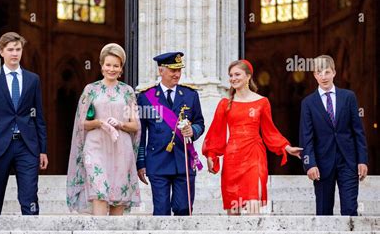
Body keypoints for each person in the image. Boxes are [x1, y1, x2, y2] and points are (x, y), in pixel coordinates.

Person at [202, 59, 302, 215]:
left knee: (253, 201)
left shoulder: (262, 102)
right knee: (233, 210)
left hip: (254, 155)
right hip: (232, 157)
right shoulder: (224, 103)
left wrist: (286, 147)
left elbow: (270, 131)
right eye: (231, 75)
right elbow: (216, 131)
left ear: (248, 77)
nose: (233, 78)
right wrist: (211, 154)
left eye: (237, 74)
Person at [0, 32, 48, 215]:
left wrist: (43, 149)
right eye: (10, 49)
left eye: (18, 49)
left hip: (27, 146)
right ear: (1, 52)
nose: (15, 53)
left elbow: (39, 117)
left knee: (30, 198)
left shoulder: (33, 79)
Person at [67, 43, 141, 215]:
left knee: (118, 196)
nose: (111, 69)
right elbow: (82, 123)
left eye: (116, 65)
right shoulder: (91, 90)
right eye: (108, 65)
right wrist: (100, 122)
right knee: (99, 190)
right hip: (95, 146)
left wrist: (120, 124)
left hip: (121, 147)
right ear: (101, 66)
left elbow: (135, 125)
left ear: (121, 68)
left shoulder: (127, 91)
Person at [137, 52, 205, 216]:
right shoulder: (146, 97)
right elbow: (140, 133)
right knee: (161, 212)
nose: (177, 74)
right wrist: (140, 162)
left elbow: (200, 123)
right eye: (172, 70)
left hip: (184, 160)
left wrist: (192, 131)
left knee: (184, 209)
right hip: (158, 161)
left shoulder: (190, 95)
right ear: (161, 71)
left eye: (179, 70)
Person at [299, 55, 368, 216]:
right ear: (314, 75)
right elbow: (306, 137)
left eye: (327, 72)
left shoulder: (348, 97)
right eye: (319, 72)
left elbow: (358, 131)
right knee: (323, 212)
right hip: (321, 164)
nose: (323, 76)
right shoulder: (308, 103)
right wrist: (309, 164)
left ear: (334, 73)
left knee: (350, 210)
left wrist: (362, 160)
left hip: (348, 161)